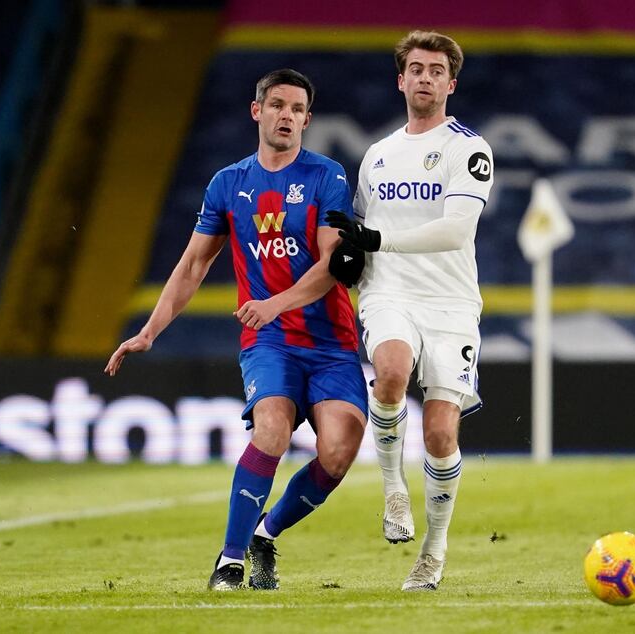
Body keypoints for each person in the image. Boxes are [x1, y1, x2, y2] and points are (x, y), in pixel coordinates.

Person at [105, 68, 368, 591]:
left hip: (331, 341)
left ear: (307, 120)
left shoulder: (328, 176)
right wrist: (151, 331)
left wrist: (275, 302)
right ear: (257, 111)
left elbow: (333, 263)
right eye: (277, 105)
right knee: (270, 430)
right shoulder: (228, 183)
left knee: (338, 452)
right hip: (268, 342)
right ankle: (229, 561)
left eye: (297, 109)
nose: (286, 115)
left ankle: (265, 533)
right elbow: (191, 267)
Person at [328, 30, 494, 591]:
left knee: (442, 435)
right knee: (391, 374)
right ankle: (394, 489)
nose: (425, 77)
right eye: (416, 68)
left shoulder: (469, 148)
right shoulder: (377, 155)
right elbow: (357, 234)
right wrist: (352, 255)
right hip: (388, 292)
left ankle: (434, 551)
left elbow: (456, 229)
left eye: (436, 69)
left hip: (451, 303)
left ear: (451, 82)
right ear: (401, 80)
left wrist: (376, 240)